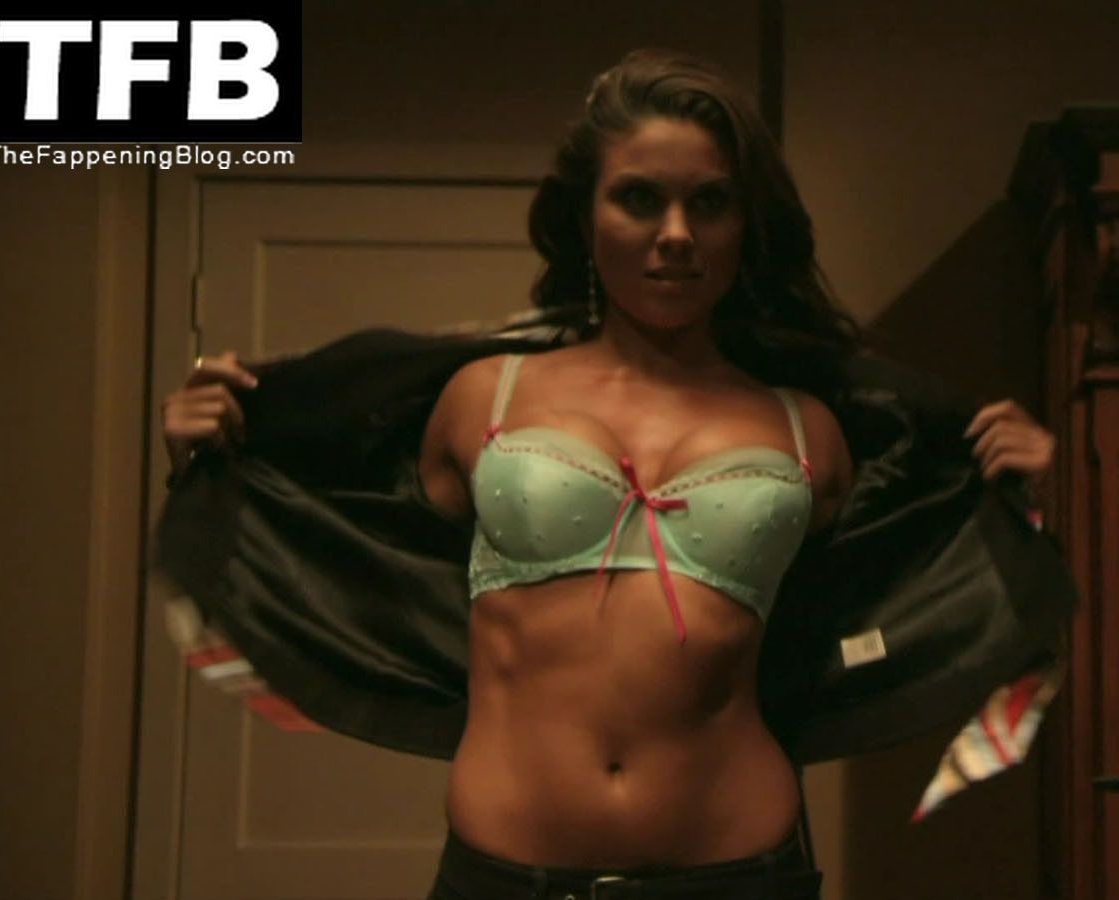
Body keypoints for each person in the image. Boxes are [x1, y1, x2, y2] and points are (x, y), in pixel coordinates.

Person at [159, 49, 1069, 900]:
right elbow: (339, 525)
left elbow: (914, 563)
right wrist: (217, 447)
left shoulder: (813, 430)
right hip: (505, 876)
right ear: (585, 216)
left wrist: (1025, 492)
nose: (676, 234)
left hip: (739, 874)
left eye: (709, 203)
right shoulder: (482, 399)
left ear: (745, 225)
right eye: (639, 198)